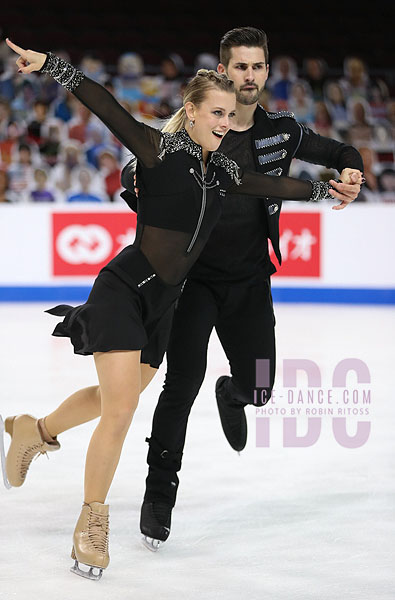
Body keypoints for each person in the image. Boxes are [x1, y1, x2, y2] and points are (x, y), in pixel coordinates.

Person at [0, 37, 356, 581]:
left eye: (229, 114)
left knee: (111, 396)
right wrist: (52, 66)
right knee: (121, 411)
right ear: (189, 112)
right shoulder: (157, 150)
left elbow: (277, 182)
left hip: (164, 307)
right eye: (215, 112)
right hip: (124, 291)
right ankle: (91, 525)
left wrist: (329, 193)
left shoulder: (224, 174)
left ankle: (35, 429)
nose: (224, 121)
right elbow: (104, 104)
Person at [134, 27, 364, 551]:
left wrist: (351, 167)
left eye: (257, 66)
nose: (250, 76)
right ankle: (159, 494)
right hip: (193, 284)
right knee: (180, 385)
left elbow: (338, 148)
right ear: (223, 71)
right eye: (240, 67)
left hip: (251, 284)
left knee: (262, 386)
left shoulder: (281, 129)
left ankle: (234, 393)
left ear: (265, 70)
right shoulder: (192, 134)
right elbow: (143, 183)